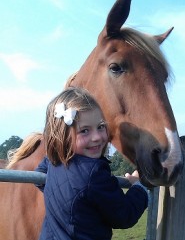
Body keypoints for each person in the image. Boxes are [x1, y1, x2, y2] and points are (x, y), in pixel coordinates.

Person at [35, 87, 148, 240]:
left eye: (101, 127)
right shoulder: (94, 173)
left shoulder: (53, 162)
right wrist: (139, 187)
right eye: (85, 131)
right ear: (63, 135)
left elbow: (40, 177)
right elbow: (124, 215)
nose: (97, 137)